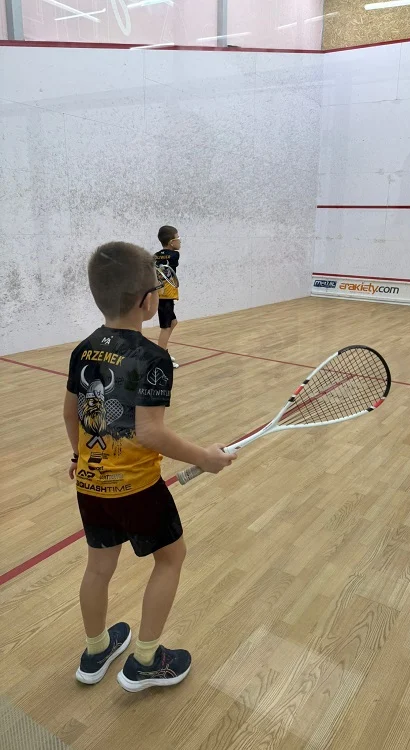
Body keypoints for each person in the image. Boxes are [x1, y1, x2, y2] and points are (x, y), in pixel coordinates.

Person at [63, 241, 235, 692]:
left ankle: (96, 649)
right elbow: (150, 433)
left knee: (98, 567)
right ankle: (145, 660)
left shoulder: (83, 349)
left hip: (90, 484)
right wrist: (204, 458)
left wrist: (80, 455)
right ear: (147, 301)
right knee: (171, 558)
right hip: (137, 488)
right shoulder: (152, 358)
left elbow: (71, 413)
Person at [154, 225, 181, 368]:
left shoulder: (155, 255)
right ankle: (161, 357)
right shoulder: (175, 255)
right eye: (178, 238)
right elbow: (171, 257)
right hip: (166, 296)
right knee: (166, 327)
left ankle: (163, 351)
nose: (180, 241)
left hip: (161, 294)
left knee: (173, 322)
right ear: (171, 242)